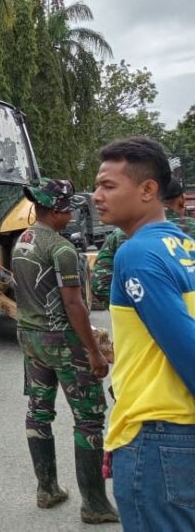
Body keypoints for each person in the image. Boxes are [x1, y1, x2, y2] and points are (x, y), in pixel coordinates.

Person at [93, 138, 195, 531]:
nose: (97, 196)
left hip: (156, 434)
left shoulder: (135, 254)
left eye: (108, 186)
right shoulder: (185, 246)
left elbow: (186, 349)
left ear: (148, 190)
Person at [12, 178, 119, 524]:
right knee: (88, 419)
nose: (72, 212)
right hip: (63, 343)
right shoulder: (61, 249)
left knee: (38, 412)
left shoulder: (22, 241)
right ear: (57, 210)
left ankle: (47, 489)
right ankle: (95, 505)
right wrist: (94, 351)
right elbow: (74, 305)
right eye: (69, 207)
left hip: (31, 339)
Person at [91, 178, 195, 309]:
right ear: (181, 200)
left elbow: (99, 284)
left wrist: (133, 308)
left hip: (137, 322)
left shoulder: (122, 234)